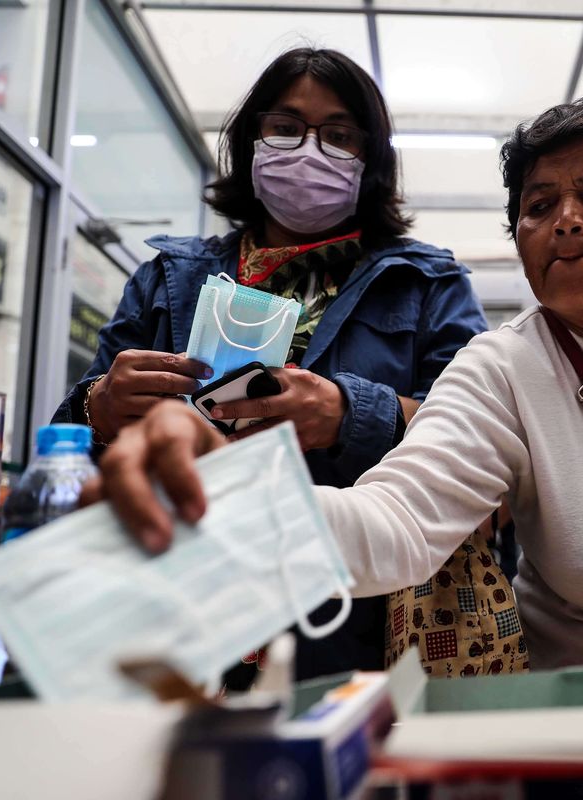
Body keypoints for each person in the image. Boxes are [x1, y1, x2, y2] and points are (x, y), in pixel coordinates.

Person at [83, 96, 583, 670]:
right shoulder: (500, 369)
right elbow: (397, 524)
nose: (566, 221)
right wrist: (230, 492)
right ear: (520, 245)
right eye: (539, 206)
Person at [53, 48, 487, 678]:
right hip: (178, 610)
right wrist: (98, 404)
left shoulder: (426, 284)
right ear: (251, 139)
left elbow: (480, 447)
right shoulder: (170, 277)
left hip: (353, 626)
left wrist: (351, 415)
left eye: (338, 136)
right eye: (285, 128)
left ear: (370, 161)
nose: (309, 151)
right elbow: (72, 440)